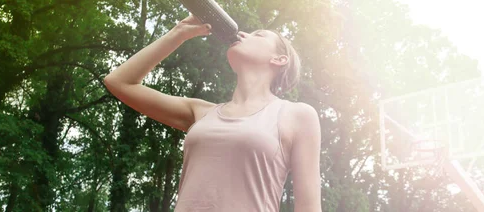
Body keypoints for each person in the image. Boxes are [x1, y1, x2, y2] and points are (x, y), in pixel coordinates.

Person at [104, 14, 322, 212]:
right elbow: (119, 82)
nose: (244, 34)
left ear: (279, 59)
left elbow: (308, 207)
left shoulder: (296, 115)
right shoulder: (201, 112)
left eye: (259, 35)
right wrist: (177, 34)